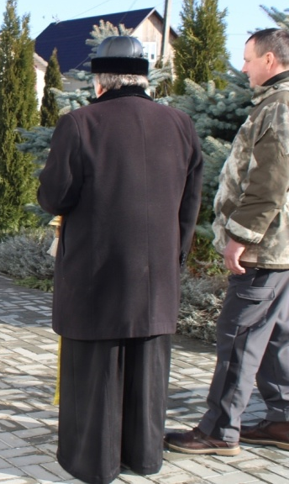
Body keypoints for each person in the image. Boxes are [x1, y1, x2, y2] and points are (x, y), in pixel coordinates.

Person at [37, 35, 203, 484]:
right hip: (157, 277)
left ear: (99, 81)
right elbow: (191, 203)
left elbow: (55, 196)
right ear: (143, 78)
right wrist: (175, 257)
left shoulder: (80, 124)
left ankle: (94, 463)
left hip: (96, 274)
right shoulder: (181, 124)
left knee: (94, 372)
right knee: (149, 373)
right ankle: (145, 457)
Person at [165, 28, 289, 456]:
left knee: (239, 336)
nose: (244, 67)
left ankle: (218, 430)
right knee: (274, 335)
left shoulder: (280, 106)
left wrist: (241, 237)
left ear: (270, 60)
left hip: (266, 249)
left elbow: (270, 182)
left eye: (249, 59)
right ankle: (285, 419)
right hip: (283, 248)